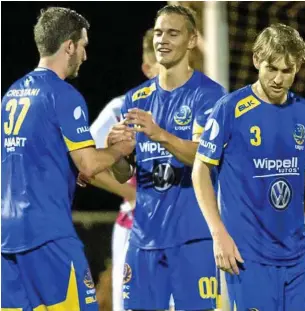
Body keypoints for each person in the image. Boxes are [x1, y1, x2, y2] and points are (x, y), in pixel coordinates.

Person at [192, 23, 305, 311]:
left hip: (297, 257)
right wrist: (218, 233)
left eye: (287, 71)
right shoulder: (230, 108)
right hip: (248, 257)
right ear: (257, 61)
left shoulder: (304, 111)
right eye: (272, 68)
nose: (278, 79)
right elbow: (200, 170)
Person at [1, 7, 134, 311]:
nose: (85, 56)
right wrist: (117, 151)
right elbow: (88, 163)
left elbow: (18, 158)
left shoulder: (10, 95)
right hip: (49, 237)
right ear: (69, 46)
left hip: (7, 240)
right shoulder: (63, 95)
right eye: (84, 46)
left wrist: (64, 170)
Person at [108, 5, 226, 311]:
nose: (163, 40)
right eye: (159, 33)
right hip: (143, 239)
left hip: (192, 239)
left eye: (173, 33)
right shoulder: (137, 97)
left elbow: (206, 156)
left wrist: (160, 134)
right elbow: (125, 173)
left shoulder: (209, 95)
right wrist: (117, 152)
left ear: (191, 40)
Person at [87, 28, 159, 311]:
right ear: (147, 67)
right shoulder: (123, 109)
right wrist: (130, 193)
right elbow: (85, 160)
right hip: (136, 230)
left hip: (185, 232)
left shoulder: (197, 107)